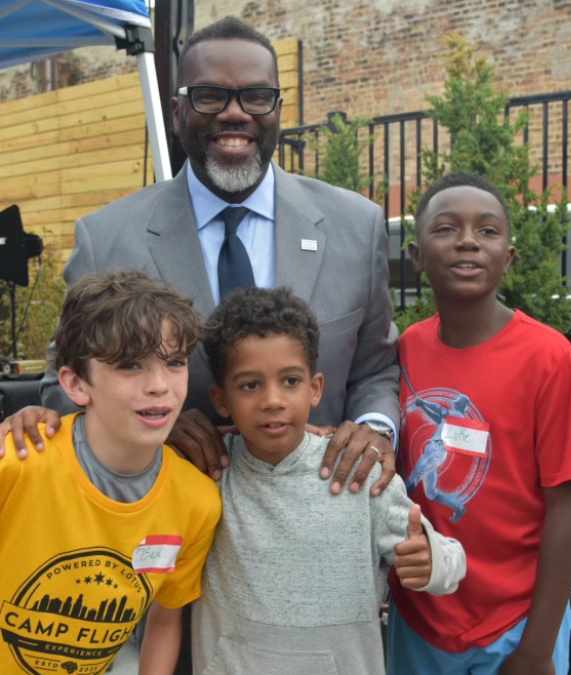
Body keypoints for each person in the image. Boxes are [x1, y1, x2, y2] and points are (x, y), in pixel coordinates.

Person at [1, 16, 398, 500]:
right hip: (161, 526)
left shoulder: (355, 226)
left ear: (277, 109)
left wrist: (375, 428)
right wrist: (150, 428)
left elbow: (376, 368)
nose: (235, 114)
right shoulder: (106, 238)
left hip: (317, 519)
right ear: (176, 112)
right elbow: (65, 383)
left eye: (256, 96)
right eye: (210, 96)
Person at [190, 287, 465, 675]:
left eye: (289, 381)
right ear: (221, 400)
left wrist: (431, 560)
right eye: (250, 385)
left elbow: (452, 562)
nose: (272, 400)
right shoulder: (208, 475)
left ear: (315, 388)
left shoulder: (359, 472)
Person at [388, 173, 571, 675]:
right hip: (419, 618)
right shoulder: (404, 350)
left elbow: (569, 502)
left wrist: (538, 647)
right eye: (446, 228)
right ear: (416, 256)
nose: (466, 241)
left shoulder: (548, 358)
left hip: (517, 624)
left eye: (487, 231)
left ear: (509, 256)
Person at [0, 271, 221, 674]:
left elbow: (165, 617)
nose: (159, 385)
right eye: (129, 365)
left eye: (174, 363)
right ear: (76, 384)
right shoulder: (17, 464)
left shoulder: (197, 502)